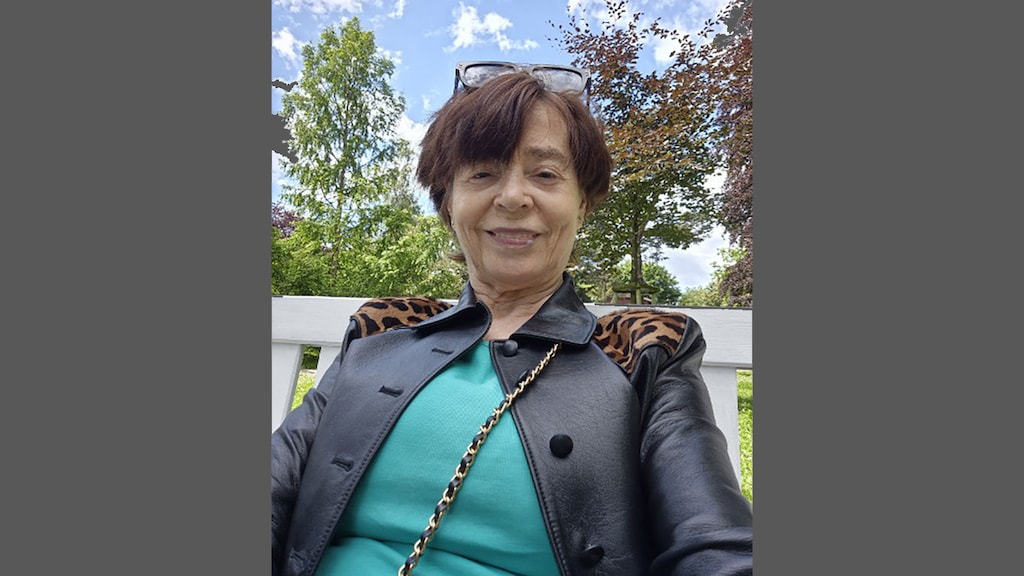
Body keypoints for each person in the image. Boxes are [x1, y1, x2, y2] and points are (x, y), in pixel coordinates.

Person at [272, 61, 753, 576]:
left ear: (582, 204)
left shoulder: (644, 351)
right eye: (482, 173)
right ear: (448, 203)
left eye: (545, 174)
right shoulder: (381, 332)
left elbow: (714, 542)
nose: (512, 197)